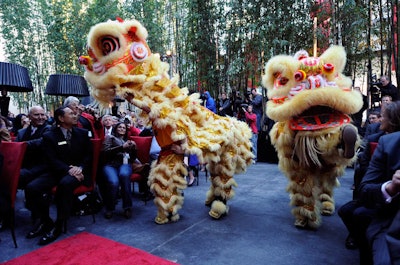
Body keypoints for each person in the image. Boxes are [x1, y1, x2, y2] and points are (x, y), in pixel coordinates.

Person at [26, 106, 93, 245]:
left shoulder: (83, 133)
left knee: (65, 184)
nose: (75, 116)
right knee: (32, 188)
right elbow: (51, 159)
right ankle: (45, 221)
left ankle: (59, 224)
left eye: (75, 114)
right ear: (61, 118)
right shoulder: (49, 136)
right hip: (57, 171)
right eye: (71, 114)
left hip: (78, 173)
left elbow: (89, 156)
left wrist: (80, 168)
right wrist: (69, 169)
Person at [355, 101, 400, 264]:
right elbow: (365, 185)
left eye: (383, 117)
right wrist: (390, 187)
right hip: (390, 221)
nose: (380, 120)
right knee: (353, 212)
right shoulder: (387, 143)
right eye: (379, 117)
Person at [101, 122, 136, 219]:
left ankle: (127, 207)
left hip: (124, 164)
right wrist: (121, 147)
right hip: (110, 164)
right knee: (114, 182)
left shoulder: (128, 141)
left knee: (124, 175)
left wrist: (134, 148)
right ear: (116, 128)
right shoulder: (110, 138)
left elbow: (132, 158)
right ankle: (110, 208)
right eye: (119, 127)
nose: (122, 129)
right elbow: (104, 153)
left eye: (124, 128)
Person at [16, 106, 51, 190]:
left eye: (42, 115)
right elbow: (16, 148)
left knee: (18, 174)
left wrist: (23, 144)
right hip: (24, 164)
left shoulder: (50, 129)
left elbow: (42, 142)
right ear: (29, 116)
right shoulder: (21, 132)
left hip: (42, 166)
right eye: (36, 115)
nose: (40, 117)